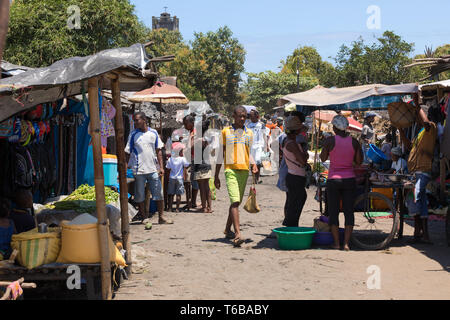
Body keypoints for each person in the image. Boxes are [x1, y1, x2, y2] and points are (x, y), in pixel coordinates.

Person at [214, 106, 258, 247]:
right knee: (234, 201)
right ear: (234, 116)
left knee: (236, 202)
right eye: (240, 116)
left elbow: (248, 152)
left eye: (244, 116)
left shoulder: (249, 133)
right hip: (230, 170)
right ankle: (238, 234)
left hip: (244, 170)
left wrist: (253, 164)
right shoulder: (226, 132)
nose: (242, 119)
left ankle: (227, 230)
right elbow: (221, 154)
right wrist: (216, 175)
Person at [320, 115, 363, 250]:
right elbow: (359, 162)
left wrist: (325, 147)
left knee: (333, 212)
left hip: (333, 180)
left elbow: (322, 158)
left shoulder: (329, 141)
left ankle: (337, 243)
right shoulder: (354, 142)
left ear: (334, 128)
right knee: (348, 211)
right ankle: (346, 244)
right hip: (349, 179)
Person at [397, 106, 436, 244]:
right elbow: (408, 146)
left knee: (414, 198)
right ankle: (422, 234)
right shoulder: (419, 134)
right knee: (421, 203)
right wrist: (400, 129)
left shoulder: (431, 128)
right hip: (416, 172)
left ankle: (418, 232)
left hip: (422, 172)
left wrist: (417, 104)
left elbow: (425, 123)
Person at [125, 112, 173, 224]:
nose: (135, 122)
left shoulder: (153, 133)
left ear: (144, 120)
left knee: (158, 194)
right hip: (138, 170)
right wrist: (124, 168)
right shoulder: (133, 135)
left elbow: (159, 151)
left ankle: (161, 217)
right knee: (140, 195)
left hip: (152, 169)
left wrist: (161, 167)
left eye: (137, 120)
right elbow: (127, 152)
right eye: (134, 120)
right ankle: (144, 217)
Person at [282, 116, 309, 227]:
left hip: (293, 176)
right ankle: (291, 227)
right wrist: (305, 154)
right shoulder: (292, 143)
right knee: (295, 204)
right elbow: (302, 160)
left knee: (294, 202)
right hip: (295, 177)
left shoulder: (288, 141)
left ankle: (291, 225)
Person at [193, 119, 213, 213]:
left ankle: (204, 207)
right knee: (207, 187)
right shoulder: (207, 140)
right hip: (207, 164)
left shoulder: (197, 140)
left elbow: (189, 149)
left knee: (202, 188)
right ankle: (210, 207)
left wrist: (190, 138)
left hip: (199, 166)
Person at [166, 141, 190, 212]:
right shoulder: (182, 159)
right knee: (178, 194)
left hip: (172, 178)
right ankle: (177, 208)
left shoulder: (170, 159)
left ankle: (170, 208)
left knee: (171, 194)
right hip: (180, 178)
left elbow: (168, 167)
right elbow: (187, 165)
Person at [246, 109, 268, 184]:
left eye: (252, 115)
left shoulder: (261, 124)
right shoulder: (248, 125)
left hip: (259, 145)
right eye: (250, 116)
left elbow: (265, 135)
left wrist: (266, 146)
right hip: (251, 146)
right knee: (252, 162)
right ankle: (253, 179)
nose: (251, 117)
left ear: (256, 116)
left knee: (258, 161)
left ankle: (257, 178)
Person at [183, 114, 199, 210]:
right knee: (194, 180)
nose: (185, 126)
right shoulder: (192, 131)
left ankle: (193, 202)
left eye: (186, 124)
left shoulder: (195, 132)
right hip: (193, 158)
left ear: (191, 123)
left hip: (196, 158)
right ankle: (192, 202)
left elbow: (191, 146)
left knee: (194, 181)